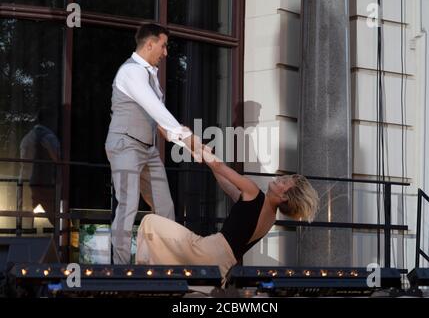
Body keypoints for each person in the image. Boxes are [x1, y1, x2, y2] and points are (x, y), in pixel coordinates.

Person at [136, 144, 319, 280]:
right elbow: (228, 186)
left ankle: (143, 278)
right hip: (223, 266)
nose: (280, 178)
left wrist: (197, 148)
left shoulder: (254, 192)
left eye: (284, 182)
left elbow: (220, 167)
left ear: (284, 197)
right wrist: (209, 159)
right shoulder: (270, 218)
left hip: (206, 251)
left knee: (150, 222)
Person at [105, 23, 194, 264]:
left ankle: (165, 262)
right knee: (128, 205)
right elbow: (155, 108)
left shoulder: (152, 77)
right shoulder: (131, 71)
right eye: (163, 46)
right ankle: (121, 269)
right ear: (150, 43)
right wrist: (188, 139)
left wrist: (190, 145)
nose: (165, 53)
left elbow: (160, 122)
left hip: (147, 148)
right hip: (125, 145)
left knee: (165, 207)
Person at [19, 107, 61, 226]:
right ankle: (58, 242)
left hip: (28, 183)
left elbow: (23, 163)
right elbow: (58, 160)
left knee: (24, 221)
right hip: (46, 185)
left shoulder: (26, 139)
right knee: (56, 221)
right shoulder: (49, 138)